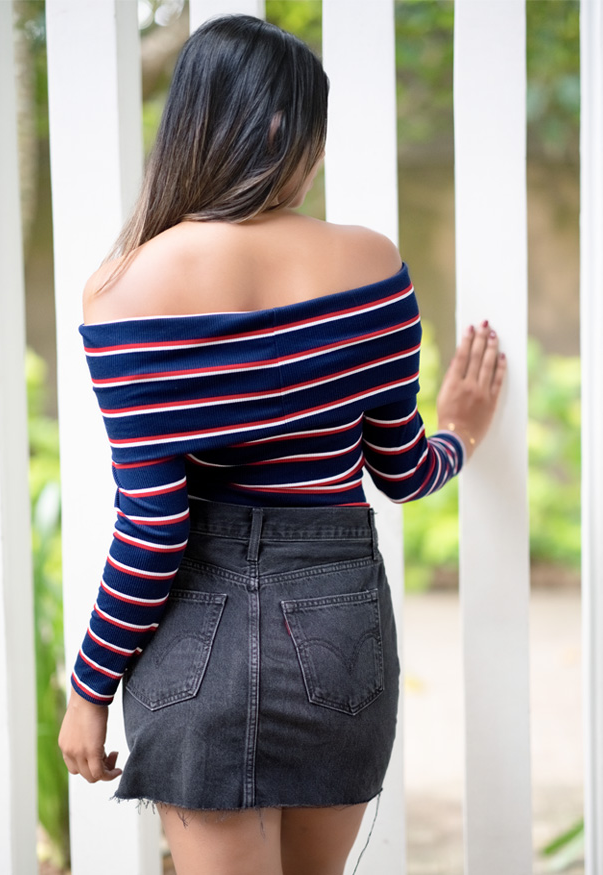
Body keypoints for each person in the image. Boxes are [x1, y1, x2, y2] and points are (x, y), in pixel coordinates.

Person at [59, 14, 505, 875]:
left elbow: (154, 530)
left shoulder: (121, 290)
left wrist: (89, 690)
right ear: (288, 132)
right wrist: (461, 433)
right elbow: (403, 471)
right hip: (337, 621)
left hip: (196, 627)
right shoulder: (370, 263)